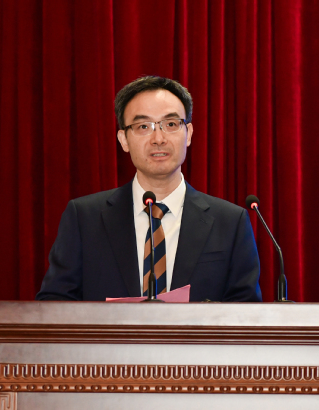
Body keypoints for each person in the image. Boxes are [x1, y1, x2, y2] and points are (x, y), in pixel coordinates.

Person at [36, 76, 261, 302]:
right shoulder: (84, 218)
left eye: (170, 124)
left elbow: (247, 311)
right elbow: (54, 304)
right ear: (123, 140)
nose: (158, 139)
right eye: (143, 126)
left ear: (189, 134)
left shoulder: (230, 222)